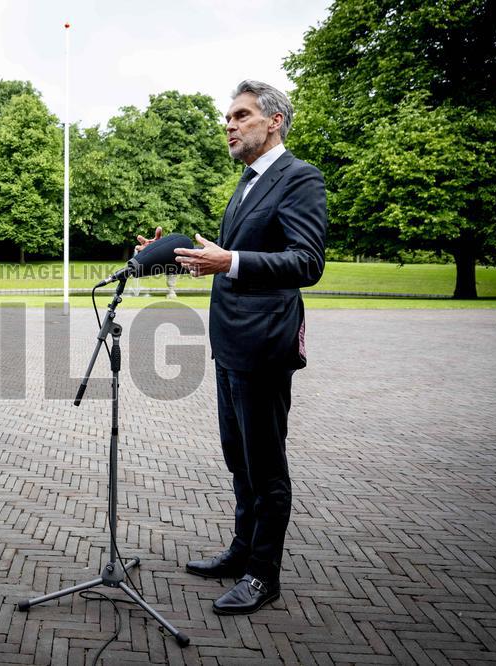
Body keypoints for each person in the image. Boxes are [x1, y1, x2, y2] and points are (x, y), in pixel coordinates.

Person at [140, 80, 326, 615]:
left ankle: (263, 574)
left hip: (266, 345)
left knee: (266, 466)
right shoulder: (245, 184)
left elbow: (306, 262)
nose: (229, 124)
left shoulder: (299, 178)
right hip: (230, 344)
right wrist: (177, 257)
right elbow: (227, 257)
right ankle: (242, 552)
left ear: (274, 121)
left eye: (241, 115)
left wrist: (232, 262)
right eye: (228, 116)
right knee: (238, 459)